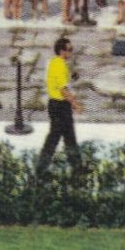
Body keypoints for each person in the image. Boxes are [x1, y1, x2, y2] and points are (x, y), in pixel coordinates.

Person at [37, 37, 82, 174]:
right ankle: (41, 169)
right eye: (69, 50)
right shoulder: (60, 65)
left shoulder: (55, 62)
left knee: (68, 137)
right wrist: (75, 104)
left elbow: (58, 79)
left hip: (56, 104)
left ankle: (77, 167)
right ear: (61, 51)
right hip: (60, 105)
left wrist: (71, 75)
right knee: (55, 138)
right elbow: (63, 90)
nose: (71, 52)